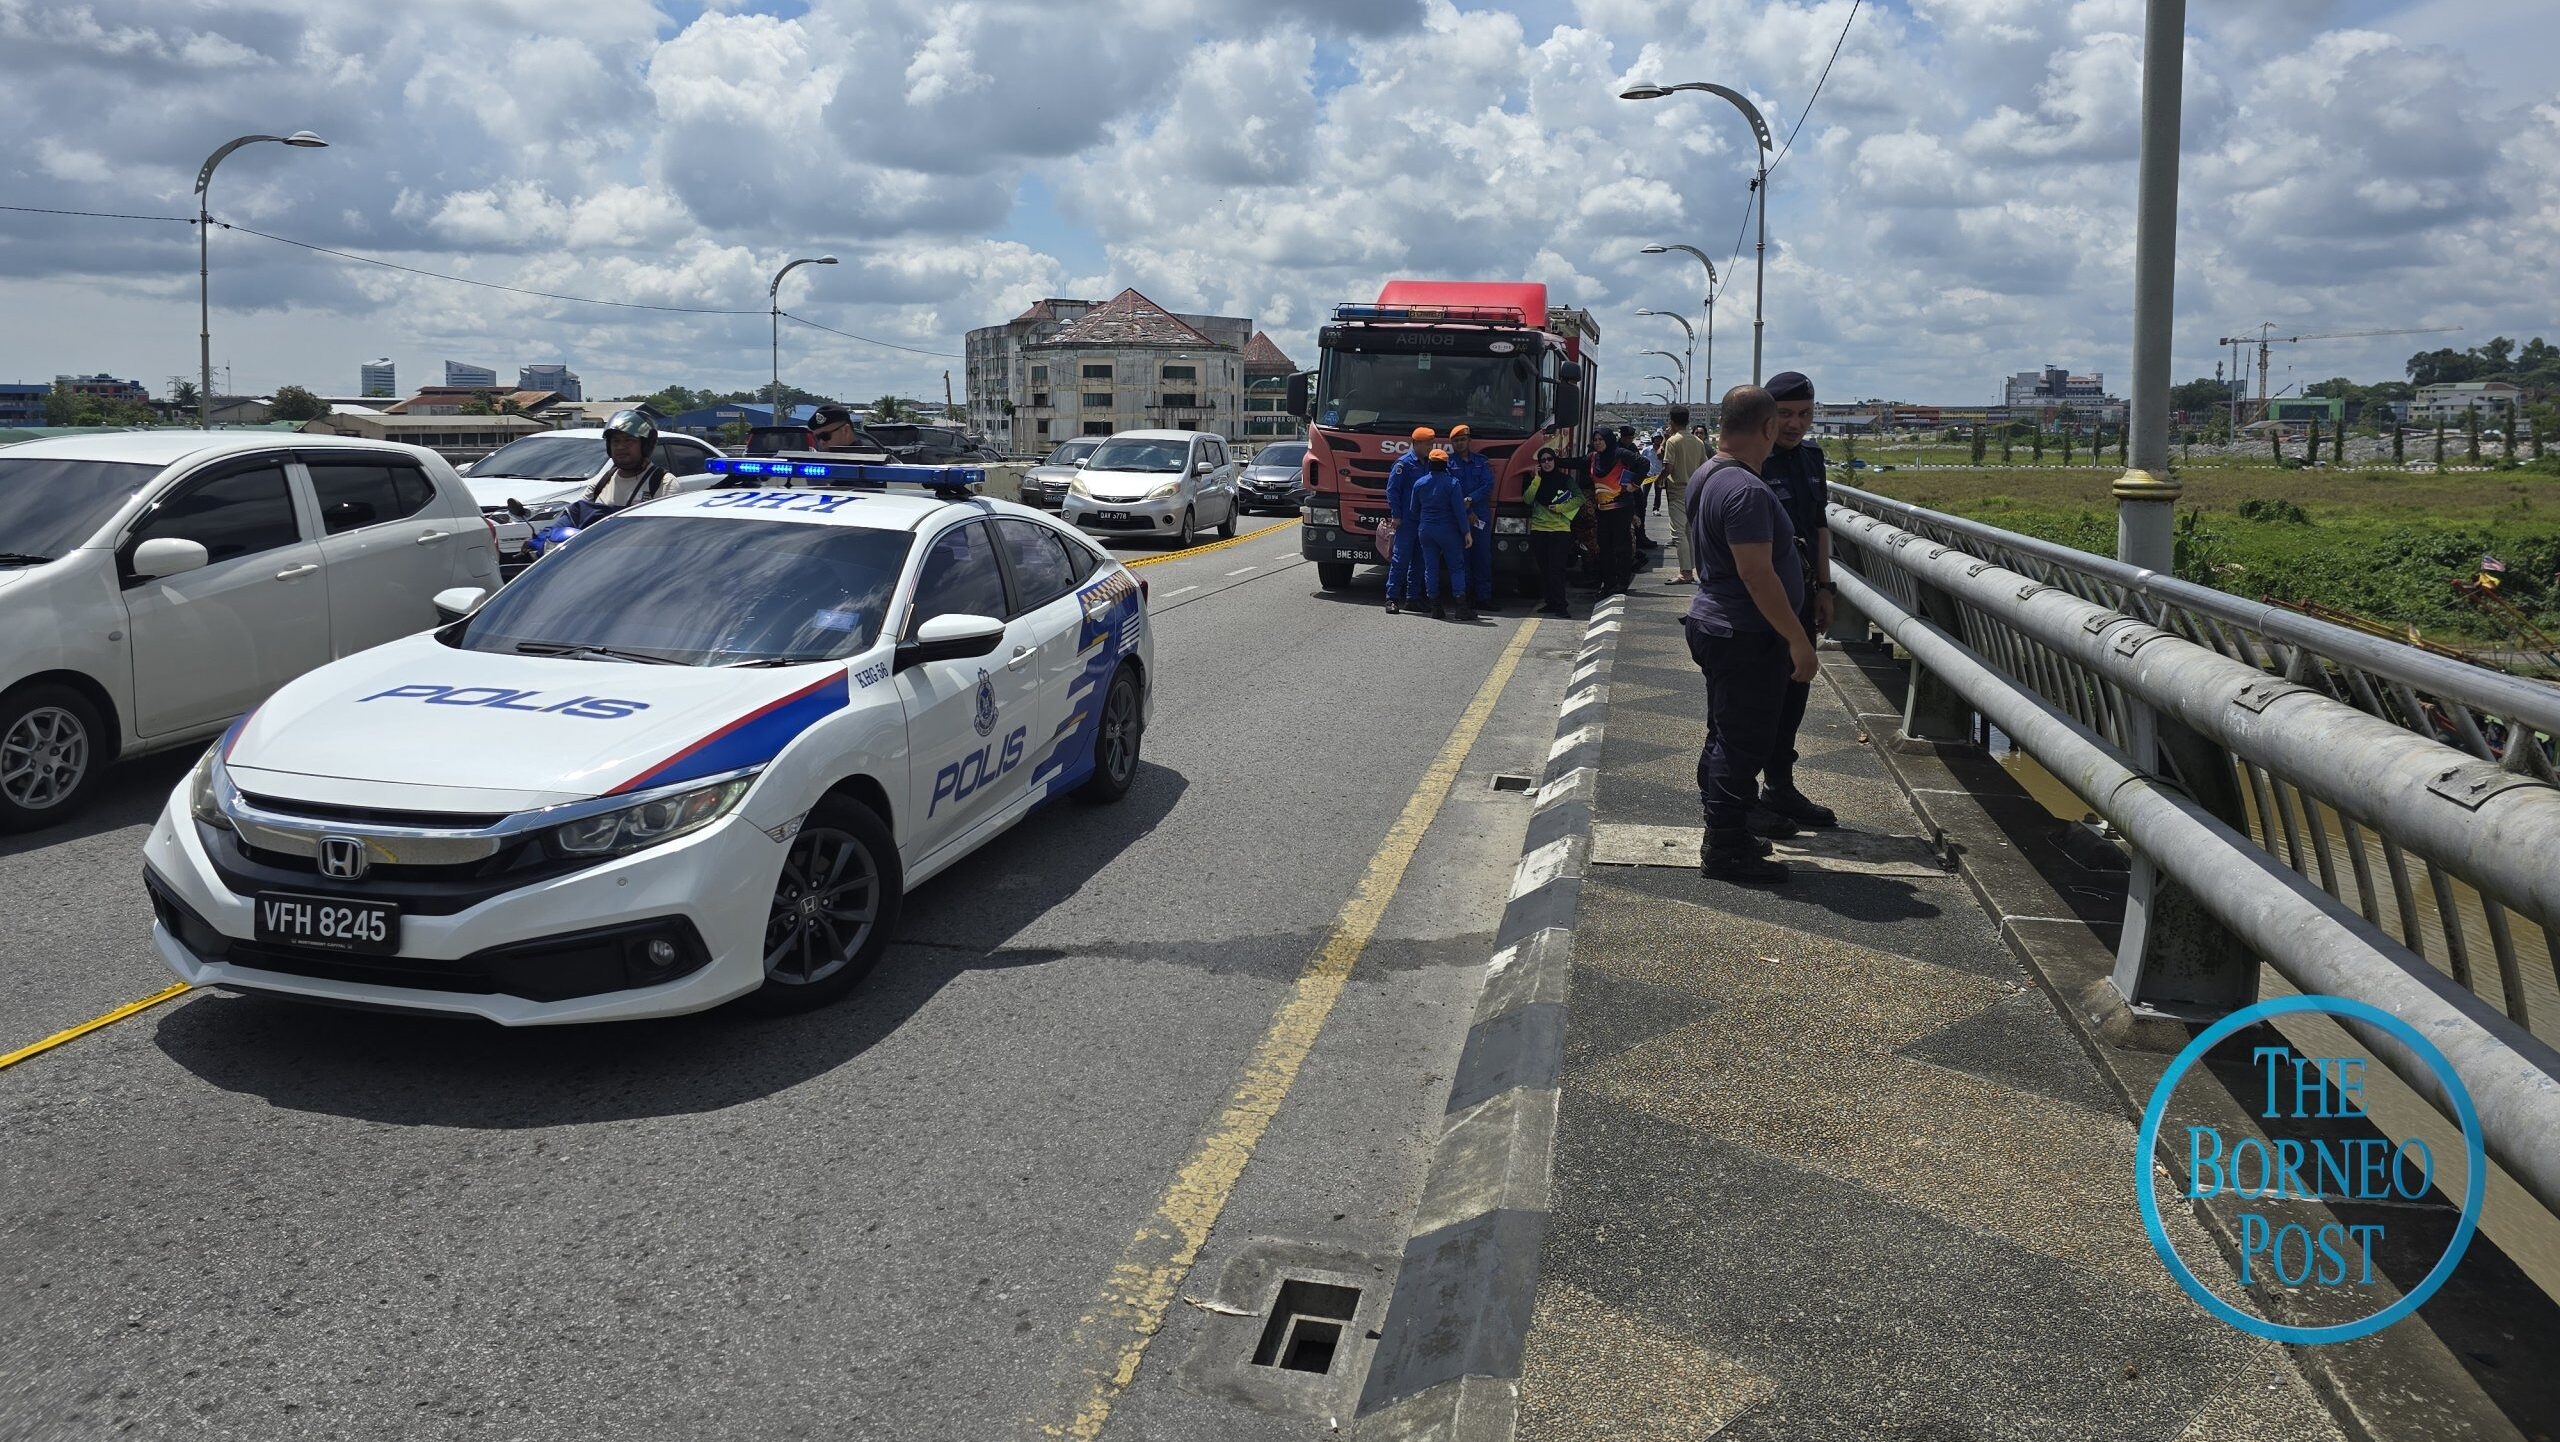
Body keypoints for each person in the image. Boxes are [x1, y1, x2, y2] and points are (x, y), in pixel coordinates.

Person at [1687, 385, 1818, 884]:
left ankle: (1732, 828)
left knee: (1726, 735)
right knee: (1743, 744)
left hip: (1719, 624)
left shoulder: (1709, 474)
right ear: (1767, 427)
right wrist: (1798, 639)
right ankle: (1725, 847)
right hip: (1744, 631)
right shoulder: (1745, 489)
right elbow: (1757, 574)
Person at [1756, 371, 1841, 829]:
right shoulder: (1753, 459)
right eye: (1786, 414)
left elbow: (1819, 525)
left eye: (1805, 414)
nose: (1795, 424)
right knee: (1755, 698)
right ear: (1767, 414)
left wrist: (1825, 588)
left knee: (1794, 694)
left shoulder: (1812, 457)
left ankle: (1779, 787)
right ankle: (1738, 799)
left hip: (1804, 593)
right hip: (1763, 598)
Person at [1410, 449, 1477, 622]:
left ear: (1430, 463)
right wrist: (1466, 532)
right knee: (1456, 567)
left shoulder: (1419, 483)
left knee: (1430, 568)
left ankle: (1436, 608)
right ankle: (1461, 608)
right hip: (1448, 531)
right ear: (1445, 464)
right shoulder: (1452, 483)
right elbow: (1460, 512)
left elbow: (1413, 509)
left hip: (1426, 530)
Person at [1526, 446, 1581, 617]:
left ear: (1555, 461)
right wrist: (1536, 479)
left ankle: (1561, 606)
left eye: (1550, 459)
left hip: (1560, 530)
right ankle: (1550, 602)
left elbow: (1579, 498)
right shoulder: (1536, 480)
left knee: (1557, 569)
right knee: (1544, 569)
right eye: (1543, 460)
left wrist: (1560, 508)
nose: (1547, 463)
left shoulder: (1565, 480)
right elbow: (1527, 499)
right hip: (1539, 530)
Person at [1383, 427, 1433, 614]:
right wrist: (1396, 515)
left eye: (1431, 444)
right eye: (1427, 444)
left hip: (1424, 520)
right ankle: (1392, 598)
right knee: (1401, 559)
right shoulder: (1403, 464)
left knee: (1420, 560)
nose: (1430, 447)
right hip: (1406, 520)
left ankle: (1413, 598)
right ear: (1416, 444)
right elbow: (1392, 491)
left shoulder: (1430, 463)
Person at [1656, 405, 1708, 585]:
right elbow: (1704, 467)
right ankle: (1692, 570)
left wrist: (1659, 479)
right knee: (1689, 532)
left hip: (1677, 491)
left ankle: (1685, 573)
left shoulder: (1673, 441)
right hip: (1695, 491)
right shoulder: (1698, 442)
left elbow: (1668, 467)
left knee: (1678, 533)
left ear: (1672, 421)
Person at [1449, 424, 1498, 610]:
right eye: (1456, 441)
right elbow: (1450, 489)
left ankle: (1484, 598)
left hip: (1481, 515)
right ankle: (1466, 598)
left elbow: (1488, 485)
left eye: (1463, 440)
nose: (1460, 443)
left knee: (1482, 557)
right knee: (1462, 558)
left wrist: (1471, 499)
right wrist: (1467, 511)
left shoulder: (1481, 462)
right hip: (1459, 516)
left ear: (1469, 441)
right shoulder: (1448, 464)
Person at [585, 409, 677, 507]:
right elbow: (578, 513)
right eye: (616, 441)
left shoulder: (665, 484)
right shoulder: (600, 483)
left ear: (646, 445)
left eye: (629, 440)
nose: (620, 447)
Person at [1584, 430, 1635, 595]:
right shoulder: (1594, 457)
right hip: (1603, 510)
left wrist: (1634, 484)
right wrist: (1552, 460)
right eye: (1595, 439)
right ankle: (1608, 582)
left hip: (1621, 508)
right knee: (1604, 546)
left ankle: (1622, 582)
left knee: (1621, 546)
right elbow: (1575, 462)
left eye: (1601, 439)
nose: (1598, 442)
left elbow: (1643, 464)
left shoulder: (1620, 454)